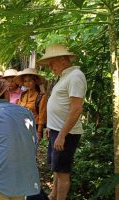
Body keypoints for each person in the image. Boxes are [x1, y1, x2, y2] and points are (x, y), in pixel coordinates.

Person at [37, 44, 87, 200]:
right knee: (57, 169)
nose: (50, 67)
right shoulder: (64, 77)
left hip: (66, 133)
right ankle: (53, 195)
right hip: (56, 130)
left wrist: (62, 135)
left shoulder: (76, 76)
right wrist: (51, 128)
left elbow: (76, 109)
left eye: (53, 63)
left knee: (63, 172)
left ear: (64, 60)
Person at [15, 68, 47, 143]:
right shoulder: (23, 95)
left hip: (33, 127)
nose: (27, 83)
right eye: (25, 81)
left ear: (35, 81)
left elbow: (42, 116)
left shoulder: (41, 97)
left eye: (30, 80)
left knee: (30, 151)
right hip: (21, 126)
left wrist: (39, 132)